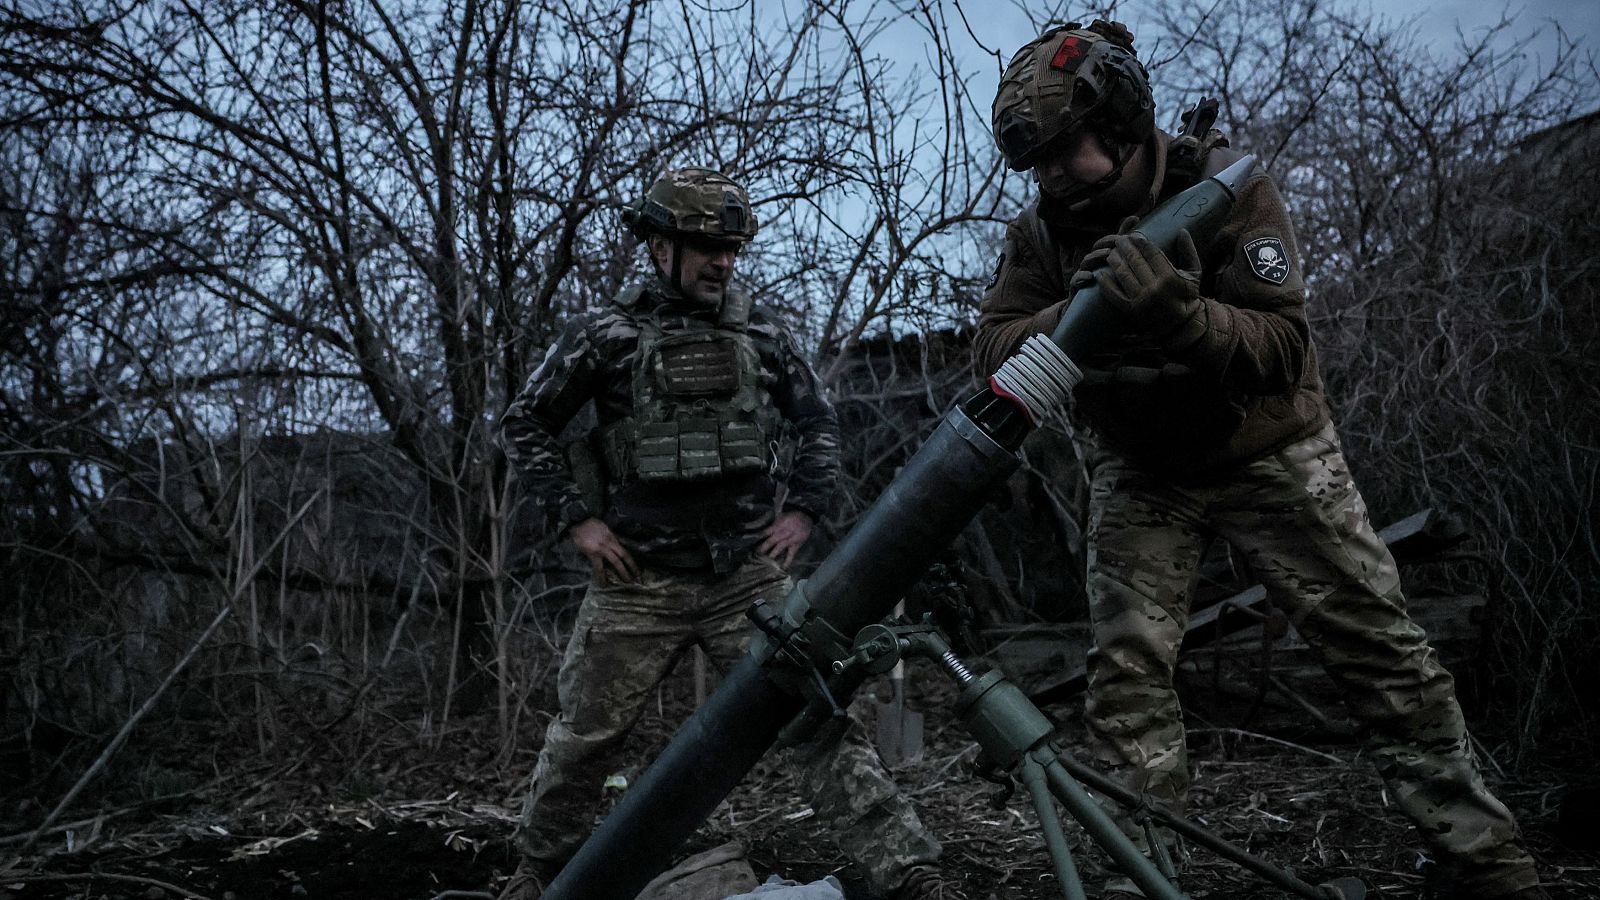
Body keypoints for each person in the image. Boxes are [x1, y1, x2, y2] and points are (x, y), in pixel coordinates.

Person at [975, 20, 1545, 900]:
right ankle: (1141, 877)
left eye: (1063, 152)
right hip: (1143, 470)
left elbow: (1283, 347)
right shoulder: (1042, 234)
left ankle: (1486, 866)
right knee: (1126, 676)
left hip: (1269, 450)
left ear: (1120, 127)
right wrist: (1073, 315)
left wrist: (1180, 317)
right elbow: (991, 349)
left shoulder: (1227, 191)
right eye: (1036, 162)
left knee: (1382, 653)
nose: (1049, 175)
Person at [499, 168, 951, 899]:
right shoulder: (605, 336)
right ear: (659, 247)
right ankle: (537, 873)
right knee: (584, 739)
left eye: (732, 249)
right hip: (637, 579)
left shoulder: (761, 332)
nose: (723, 262)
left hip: (745, 580)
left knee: (814, 718)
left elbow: (817, 420)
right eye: (708, 247)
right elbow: (525, 423)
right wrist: (578, 521)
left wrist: (804, 509)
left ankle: (910, 873)